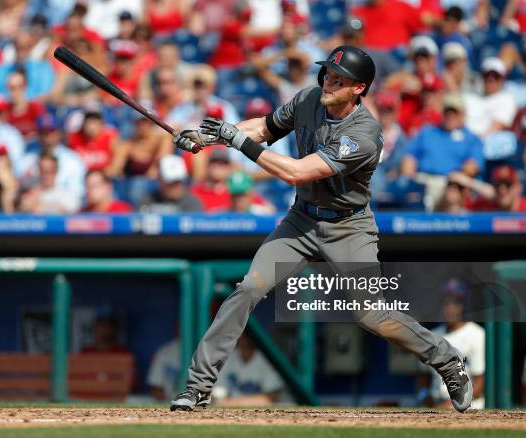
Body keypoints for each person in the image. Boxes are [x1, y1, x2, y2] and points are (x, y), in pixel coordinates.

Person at [170, 45, 473, 412]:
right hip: (302, 220)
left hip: (349, 227)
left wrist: (236, 141)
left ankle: (446, 360)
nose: (328, 81)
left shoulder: (363, 133)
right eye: (328, 73)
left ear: (358, 88)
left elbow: (297, 171)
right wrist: (207, 138)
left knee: (371, 315)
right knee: (249, 288)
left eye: (339, 79)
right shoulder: (310, 98)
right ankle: (199, 387)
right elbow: (263, 128)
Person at [401, 93, 483, 210]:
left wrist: (455, 179)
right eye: (447, 111)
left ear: (463, 115)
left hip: (450, 183)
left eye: (454, 111)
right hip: (423, 180)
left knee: (453, 191)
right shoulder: (427, 132)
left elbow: (472, 167)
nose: (450, 115)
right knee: (404, 187)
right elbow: (410, 157)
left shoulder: (471, 139)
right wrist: (409, 176)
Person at [417, 279, 485, 409]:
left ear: (465, 306)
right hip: (437, 403)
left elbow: (480, 383)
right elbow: (423, 377)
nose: (450, 308)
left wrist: (448, 405)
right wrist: (424, 397)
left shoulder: (477, 334)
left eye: (456, 303)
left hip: (470, 407)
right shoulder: (432, 336)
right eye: (446, 303)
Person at [212, 334, 284, 406]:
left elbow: (271, 398)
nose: (245, 337)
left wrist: (233, 402)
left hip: (263, 414)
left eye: (247, 333)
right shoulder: (227, 357)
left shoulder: (267, 357)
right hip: (234, 412)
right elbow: (218, 397)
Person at [137, 154, 203, 214]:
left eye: (179, 181)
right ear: (160, 181)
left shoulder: (192, 203)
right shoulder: (148, 200)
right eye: (171, 182)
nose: (177, 186)